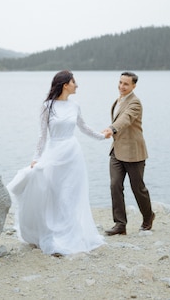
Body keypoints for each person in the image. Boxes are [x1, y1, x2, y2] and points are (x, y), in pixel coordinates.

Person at [6, 70, 108, 255]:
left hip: (73, 155)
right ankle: (50, 231)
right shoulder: (47, 106)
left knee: (70, 194)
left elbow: (84, 127)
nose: (77, 85)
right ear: (65, 84)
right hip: (54, 154)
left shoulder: (75, 106)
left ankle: (71, 232)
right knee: (52, 192)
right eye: (74, 81)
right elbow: (42, 135)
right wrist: (36, 158)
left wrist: (102, 136)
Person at [102, 71, 154, 236]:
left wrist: (112, 128)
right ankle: (120, 224)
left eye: (126, 84)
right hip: (116, 152)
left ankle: (148, 217)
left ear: (133, 86)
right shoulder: (118, 100)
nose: (121, 86)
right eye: (120, 82)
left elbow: (126, 118)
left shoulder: (135, 103)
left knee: (138, 188)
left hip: (133, 152)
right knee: (115, 185)